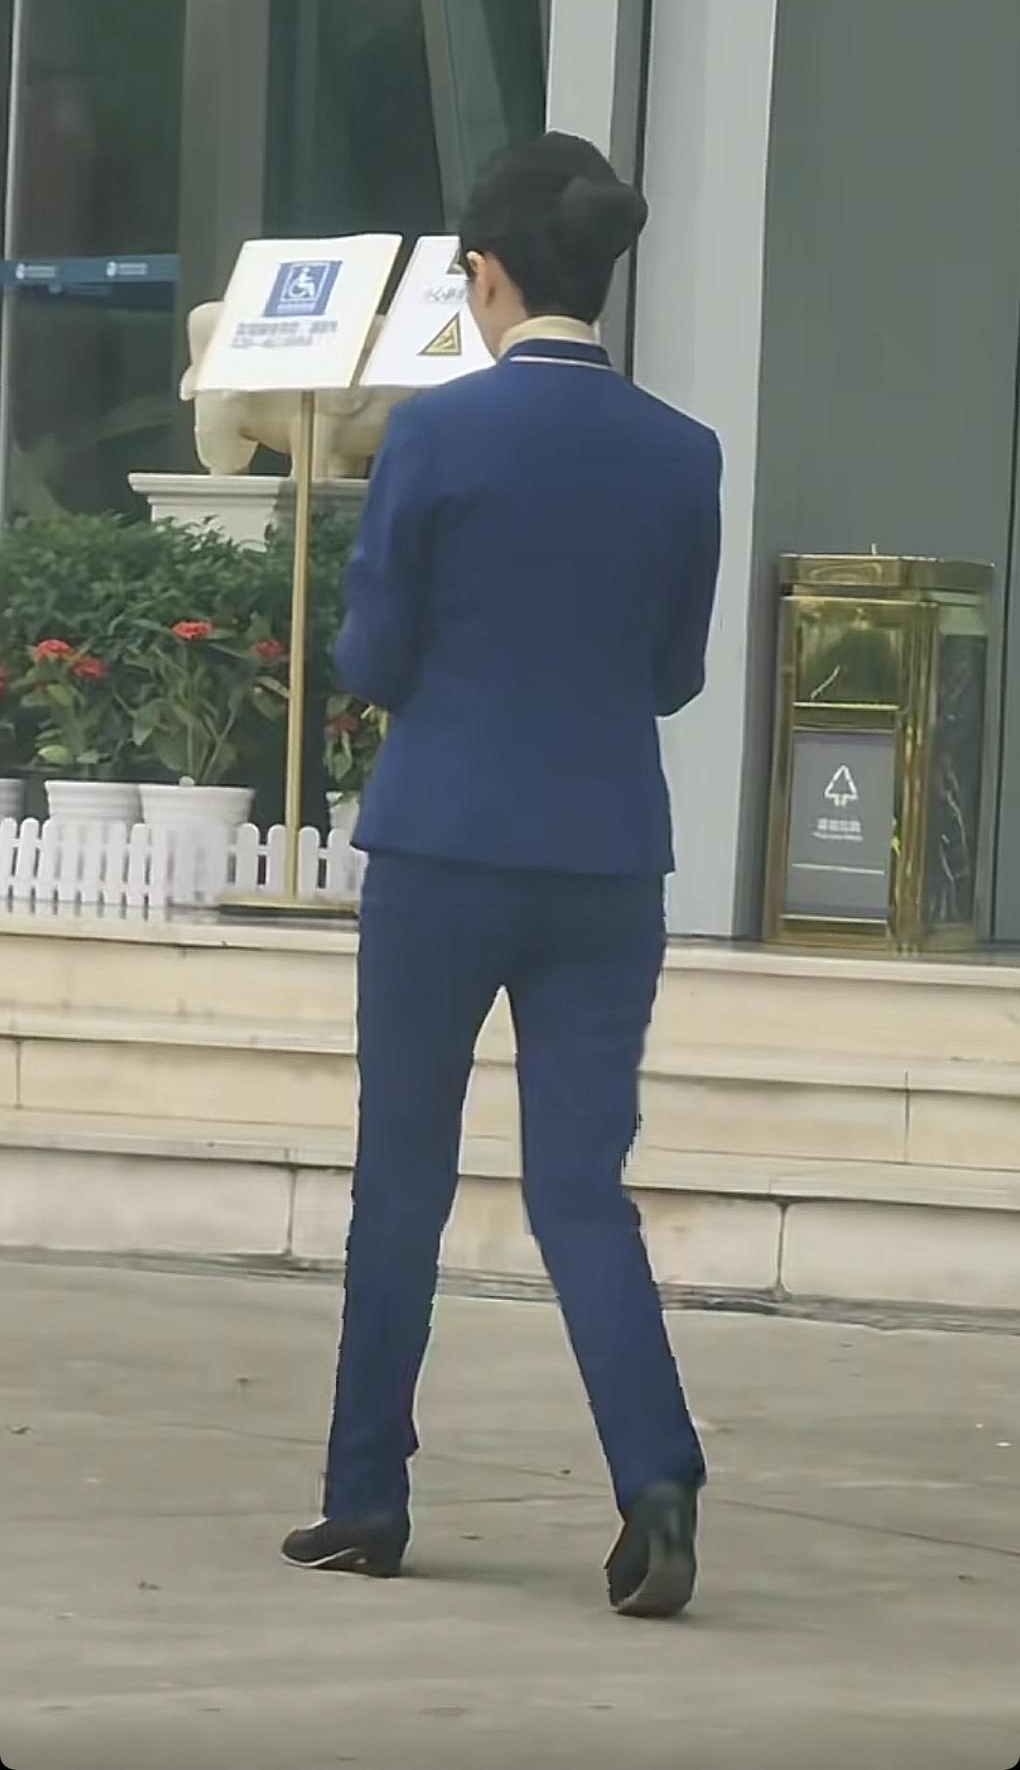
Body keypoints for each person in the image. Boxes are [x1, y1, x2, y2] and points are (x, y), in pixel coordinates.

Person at [283, 132, 722, 1618]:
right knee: (581, 1189)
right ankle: (656, 1482)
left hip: (442, 847)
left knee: (402, 1174)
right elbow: (674, 674)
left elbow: (372, 653)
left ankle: (366, 1498)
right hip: (606, 856)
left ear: (484, 274)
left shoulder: (435, 435)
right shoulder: (683, 450)